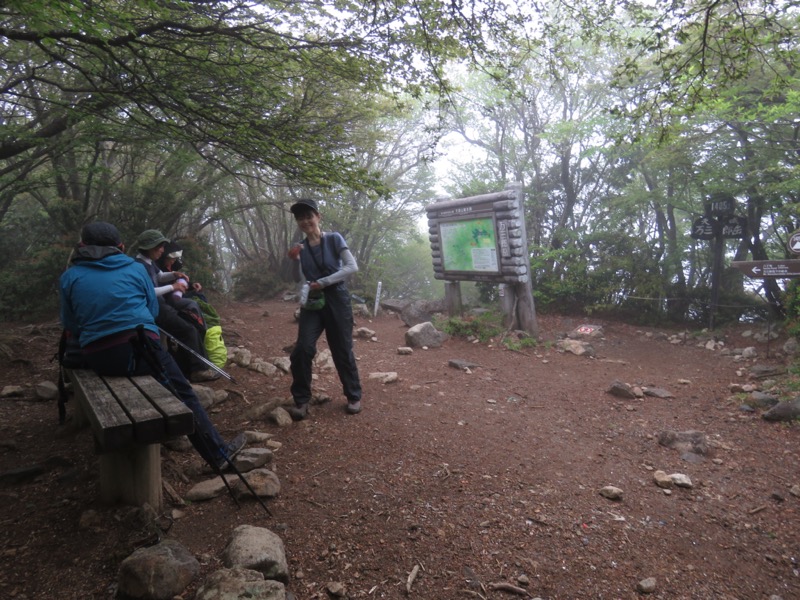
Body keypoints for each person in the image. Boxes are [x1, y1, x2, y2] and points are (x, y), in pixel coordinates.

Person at [59, 221, 245, 470]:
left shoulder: (70, 276)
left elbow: (70, 323)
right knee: (184, 393)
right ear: (121, 246)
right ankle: (218, 456)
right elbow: (153, 309)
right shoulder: (135, 270)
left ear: (82, 246)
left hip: (99, 358)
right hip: (143, 352)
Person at [286, 198, 363, 419]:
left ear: (318, 217)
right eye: (301, 218)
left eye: (309, 216)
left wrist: (325, 281)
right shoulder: (300, 248)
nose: (305, 221)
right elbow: (298, 280)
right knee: (302, 349)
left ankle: (353, 394)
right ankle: (301, 400)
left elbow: (351, 266)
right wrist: (293, 261)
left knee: (341, 348)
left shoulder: (334, 239)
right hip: (313, 300)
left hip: (336, 298)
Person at [133, 229, 218, 383]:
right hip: (154, 309)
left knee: (191, 320)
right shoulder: (138, 266)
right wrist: (173, 287)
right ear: (150, 247)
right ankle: (197, 370)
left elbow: (159, 276)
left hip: (161, 305)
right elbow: (148, 292)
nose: (162, 250)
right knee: (188, 330)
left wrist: (174, 275)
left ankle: (193, 364)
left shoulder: (148, 262)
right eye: (159, 247)